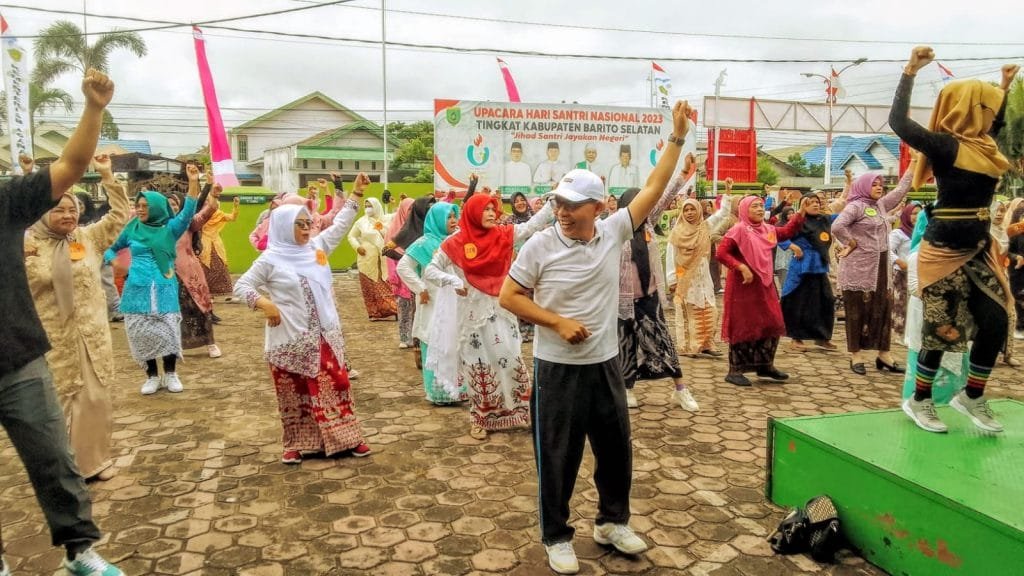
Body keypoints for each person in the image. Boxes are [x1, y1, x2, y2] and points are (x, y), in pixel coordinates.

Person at [499, 100, 692, 575]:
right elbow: (509, 296)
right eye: (558, 204)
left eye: (570, 205)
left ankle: (611, 523)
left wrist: (678, 137)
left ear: (598, 206)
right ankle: (556, 535)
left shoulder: (614, 231)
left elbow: (653, 186)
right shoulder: (540, 245)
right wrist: (556, 322)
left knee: (615, 451)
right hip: (556, 369)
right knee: (557, 458)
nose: (561, 212)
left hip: (605, 363)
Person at [0, 68, 124, 576]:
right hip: (49, 345)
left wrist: (94, 107)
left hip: (18, 355)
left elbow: (72, 164)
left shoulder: (6, 203)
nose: (66, 213)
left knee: (54, 459)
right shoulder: (32, 241)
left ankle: (79, 551)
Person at [890, 46, 1017, 433]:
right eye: (987, 108)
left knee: (996, 321)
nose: (992, 116)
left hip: (980, 248)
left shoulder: (986, 146)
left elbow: (996, 127)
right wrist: (910, 71)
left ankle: (971, 397)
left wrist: (1005, 86)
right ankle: (920, 401)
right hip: (943, 248)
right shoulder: (945, 146)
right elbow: (899, 122)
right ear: (968, 108)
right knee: (942, 330)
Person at [233, 173, 373, 464]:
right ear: (284, 226)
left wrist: (356, 194)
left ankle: (348, 438)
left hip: (324, 335)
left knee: (336, 385)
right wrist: (264, 303)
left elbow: (341, 224)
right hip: (289, 338)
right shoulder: (270, 259)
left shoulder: (317, 248)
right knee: (293, 393)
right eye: (301, 224)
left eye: (309, 223)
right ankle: (295, 443)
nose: (308, 229)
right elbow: (241, 286)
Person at [25, 153, 128, 484]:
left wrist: (108, 176)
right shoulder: (25, 244)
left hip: (92, 335)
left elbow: (119, 216)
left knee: (95, 398)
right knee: (55, 404)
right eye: (58, 209)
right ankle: (59, 469)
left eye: (72, 209)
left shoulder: (87, 239)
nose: (68, 215)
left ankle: (92, 462)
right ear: (42, 212)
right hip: (51, 338)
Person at [424, 194, 553, 440]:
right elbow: (431, 269)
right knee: (478, 363)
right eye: (486, 210)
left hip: (501, 309)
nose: (492, 214)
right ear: (473, 213)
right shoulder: (456, 242)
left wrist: (552, 205)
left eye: (494, 210)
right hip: (471, 314)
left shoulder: (503, 235)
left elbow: (532, 226)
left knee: (510, 356)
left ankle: (520, 413)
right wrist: (451, 280)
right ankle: (480, 417)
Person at [106, 164, 200, 395]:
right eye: (138, 205)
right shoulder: (132, 228)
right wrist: (114, 262)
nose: (139, 209)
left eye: (145, 206)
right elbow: (110, 249)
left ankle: (170, 374)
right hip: (136, 289)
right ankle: (151, 376)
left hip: (164, 288)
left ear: (157, 207)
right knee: (140, 333)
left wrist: (194, 181)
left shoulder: (170, 229)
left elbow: (188, 210)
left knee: (168, 330)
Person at [615, 166, 699, 413]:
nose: (641, 208)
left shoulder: (649, 224)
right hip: (622, 301)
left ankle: (680, 389)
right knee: (626, 344)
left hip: (649, 298)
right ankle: (627, 389)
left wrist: (683, 174)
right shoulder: (615, 231)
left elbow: (664, 193)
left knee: (662, 340)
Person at [716, 196, 807, 387]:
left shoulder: (768, 229)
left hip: (764, 284)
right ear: (744, 210)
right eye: (754, 206)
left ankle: (765, 365)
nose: (759, 209)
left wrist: (800, 213)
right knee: (743, 325)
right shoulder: (738, 229)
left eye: (760, 206)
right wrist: (741, 267)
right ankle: (735, 371)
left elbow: (787, 231)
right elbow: (721, 253)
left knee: (771, 322)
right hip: (743, 286)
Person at [831, 169, 913, 376]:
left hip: (882, 269)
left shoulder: (881, 206)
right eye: (874, 184)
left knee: (883, 309)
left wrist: (914, 162)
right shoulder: (856, 206)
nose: (879, 188)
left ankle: (884, 354)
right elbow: (837, 226)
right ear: (864, 186)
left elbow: (902, 189)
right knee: (857, 311)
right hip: (859, 269)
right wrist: (852, 243)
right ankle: (856, 355)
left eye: (881, 185)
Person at [397, 202, 461, 404]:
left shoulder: (458, 240)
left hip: (456, 299)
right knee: (433, 340)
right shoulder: (424, 243)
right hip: (432, 299)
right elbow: (403, 267)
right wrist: (420, 288)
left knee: (455, 343)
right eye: (448, 217)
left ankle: (458, 389)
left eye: (454, 216)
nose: (453, 220)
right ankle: (438, 393)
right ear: (436, 220)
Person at [667, 195, 731, 357]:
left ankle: (707, 345)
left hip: (704, 278)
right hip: (685, 278)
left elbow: (723, 213)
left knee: (710, 310)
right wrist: (673, 279)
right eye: (686, 210)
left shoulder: (705, 227)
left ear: (699, 211)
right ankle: (689, 347)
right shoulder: (677, 233)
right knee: (689, 313)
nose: (689, 213)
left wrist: (727, 193)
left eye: (692, 209)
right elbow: (671, 257)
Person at [169, 180, 223, 359]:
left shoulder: (187, 223)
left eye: (175, 204)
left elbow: (205, 214)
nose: (172, 207)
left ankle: (211, 344)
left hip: (190, 273)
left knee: (200, 308)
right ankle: (176, 346)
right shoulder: (157, 226)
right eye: (168, 204)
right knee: (174, 312)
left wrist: (213, 196)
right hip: (167, 275)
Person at [780, 192, 839, 350]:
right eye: (810, 202)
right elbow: (780, 235)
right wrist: (792, 246)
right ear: (803, 205)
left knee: (825, 301)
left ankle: (822, 337)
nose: (815, 205)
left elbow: (845, 213)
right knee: (799, 302)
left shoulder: (824, 220)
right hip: (801, 268)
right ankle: (796, 339)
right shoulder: (797, 221)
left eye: (817, 202)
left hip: (819, 267)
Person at [349, 197, 399, 320]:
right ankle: (374, 313)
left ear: (376, 206)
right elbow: (351, 236)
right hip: (367, 258)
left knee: (386, 283)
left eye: (369, 205)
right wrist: (357, 247)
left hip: (384, 257)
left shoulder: (386, 219)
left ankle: (392, 309)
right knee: (369, 286)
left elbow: (399, 215)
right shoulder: (361, 222)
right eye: (366, 206)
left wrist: (394, 204)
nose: (367, 208)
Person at [385, 198, 417, 348]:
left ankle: (415, 336)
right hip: (399, 276)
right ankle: (404, 338)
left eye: (413, 209)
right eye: (409, 209)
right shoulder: (393, 230)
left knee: (416, 308)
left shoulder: (415, 229)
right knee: (404, 308)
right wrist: (394, 276)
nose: (411, 212)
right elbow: (388, 255)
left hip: (413, 274)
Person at [890, 202, 922, 338]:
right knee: (901, 304)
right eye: (914, 213)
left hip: (919, 273)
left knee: (916, 305)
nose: (916, 216)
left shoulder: (924, 233)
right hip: (902, 273)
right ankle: (900, 334)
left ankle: (914, 333)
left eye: (919, 213)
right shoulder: (899, 233)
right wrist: (899, 261)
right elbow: (887, 250)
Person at [199, 192, 240, 295]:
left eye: (208, 201)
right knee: (202, 264)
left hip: (216, 243)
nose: (206, 203)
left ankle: (222, 289)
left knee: (219, 263)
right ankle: (204, 289)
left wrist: (235, 206)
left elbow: (232, 217)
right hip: (202, 242)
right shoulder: (198, 215)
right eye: (204, 202)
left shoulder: (219, 214)